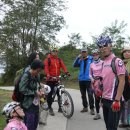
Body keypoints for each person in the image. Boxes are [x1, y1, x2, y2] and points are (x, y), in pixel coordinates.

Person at [96, 36, 126, 130]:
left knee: (112, 128)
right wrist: (101, 97)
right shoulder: (103, 62)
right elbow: (104, 81)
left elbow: (122, 81)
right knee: (108, 127)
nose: (102, 48)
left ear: (111, 46)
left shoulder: (117, 61)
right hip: (105, 100)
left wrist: (117, 100)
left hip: (114, 100)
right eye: (100, 47)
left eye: (105, 45)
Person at [44, 47, 70, 116]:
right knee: (49, 94)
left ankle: (60, 108)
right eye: (53, 51)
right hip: (50, 79)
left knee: (59, 93)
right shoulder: (48, 60)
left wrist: (66, 72)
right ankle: (50, 108)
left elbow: (63, 66)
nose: (55, 52)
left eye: (56, 51)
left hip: (57, 79)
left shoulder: (59, 60)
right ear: (51, 52)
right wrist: (48, 75)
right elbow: (46, 68)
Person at [19, 59, 44, 130]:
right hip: (28, 104)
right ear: (33, 68)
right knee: (29, 125)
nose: (38, 73)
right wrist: (35, 93)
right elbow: (22, 89)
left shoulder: (37, 75)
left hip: (36, 103)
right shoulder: (26, 76)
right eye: (38, 71)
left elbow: (38, 85)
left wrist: (41, 90)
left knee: (35, 123)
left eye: (40, 71)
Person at [73, 47, 95, 115]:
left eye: (85, 52)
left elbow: (95, 68)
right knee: (83, 95)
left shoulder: (91, 59)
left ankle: (92, 109)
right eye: (82, 52)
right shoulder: (80, 60)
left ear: (87, 52)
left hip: (88, 80)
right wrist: (78, 58)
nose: (83, 53)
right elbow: (74, 65)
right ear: (81, 53)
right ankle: (85, 107)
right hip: (81, 79)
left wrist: (93, 77)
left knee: (90, 94)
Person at [89, 49, 103, 120]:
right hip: (95, 83)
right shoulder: (91, 64)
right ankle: (97, 114)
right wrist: (92, 78)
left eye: (96, 54)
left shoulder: (103, 63)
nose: (95, 56)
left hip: (103, 82)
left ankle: (108, 112)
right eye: (93, 55)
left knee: (104, 99)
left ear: (99, 55)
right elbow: (90, 74)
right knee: (97, 98)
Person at [119, 46, 130, 128]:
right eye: (125, 52)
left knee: (128, 104)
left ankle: (128, 122)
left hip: (129, 86)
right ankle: (124, 121)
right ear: (122, 54)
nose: (127, 53)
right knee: (123, 104)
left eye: (128, 52)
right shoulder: (120, 62)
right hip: (122, 86)